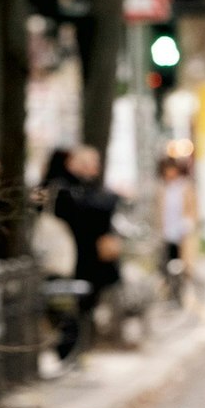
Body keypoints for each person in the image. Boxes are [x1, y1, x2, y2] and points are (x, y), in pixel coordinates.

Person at [51, 146, 122, 359]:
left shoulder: (84, 188)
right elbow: (92, 212)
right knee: (72, 308)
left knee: (84, 307)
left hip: (88, 261)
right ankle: (71, 352)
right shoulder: (65, 188)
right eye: (89, 162)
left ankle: (79, 351)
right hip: (73, 260)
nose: (94, 168)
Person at [158, 157, 198, 306]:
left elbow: (193, 208)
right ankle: (170, 294)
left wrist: (188, 224)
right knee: (166, 265)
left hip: (182, 233)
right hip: (166, 233)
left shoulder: (185, 188)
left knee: (181, 266)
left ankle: (179, 294)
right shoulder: (162, 189)